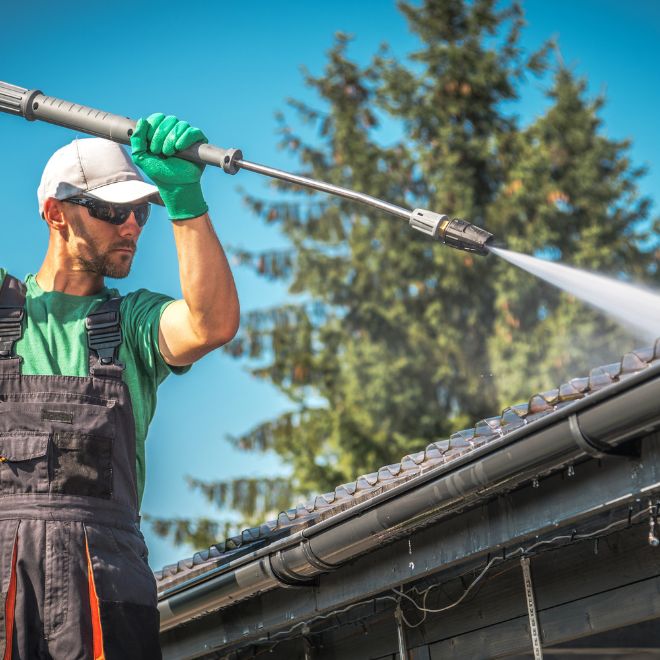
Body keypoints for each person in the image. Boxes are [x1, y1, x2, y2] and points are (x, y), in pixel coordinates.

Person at [0, 113, 239, 659]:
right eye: (111, 211)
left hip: (103, 577)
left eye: (139, 212)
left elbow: (211, 324)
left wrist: (184, 201)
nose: (130, 225)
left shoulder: (132, 322)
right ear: (54, 213)